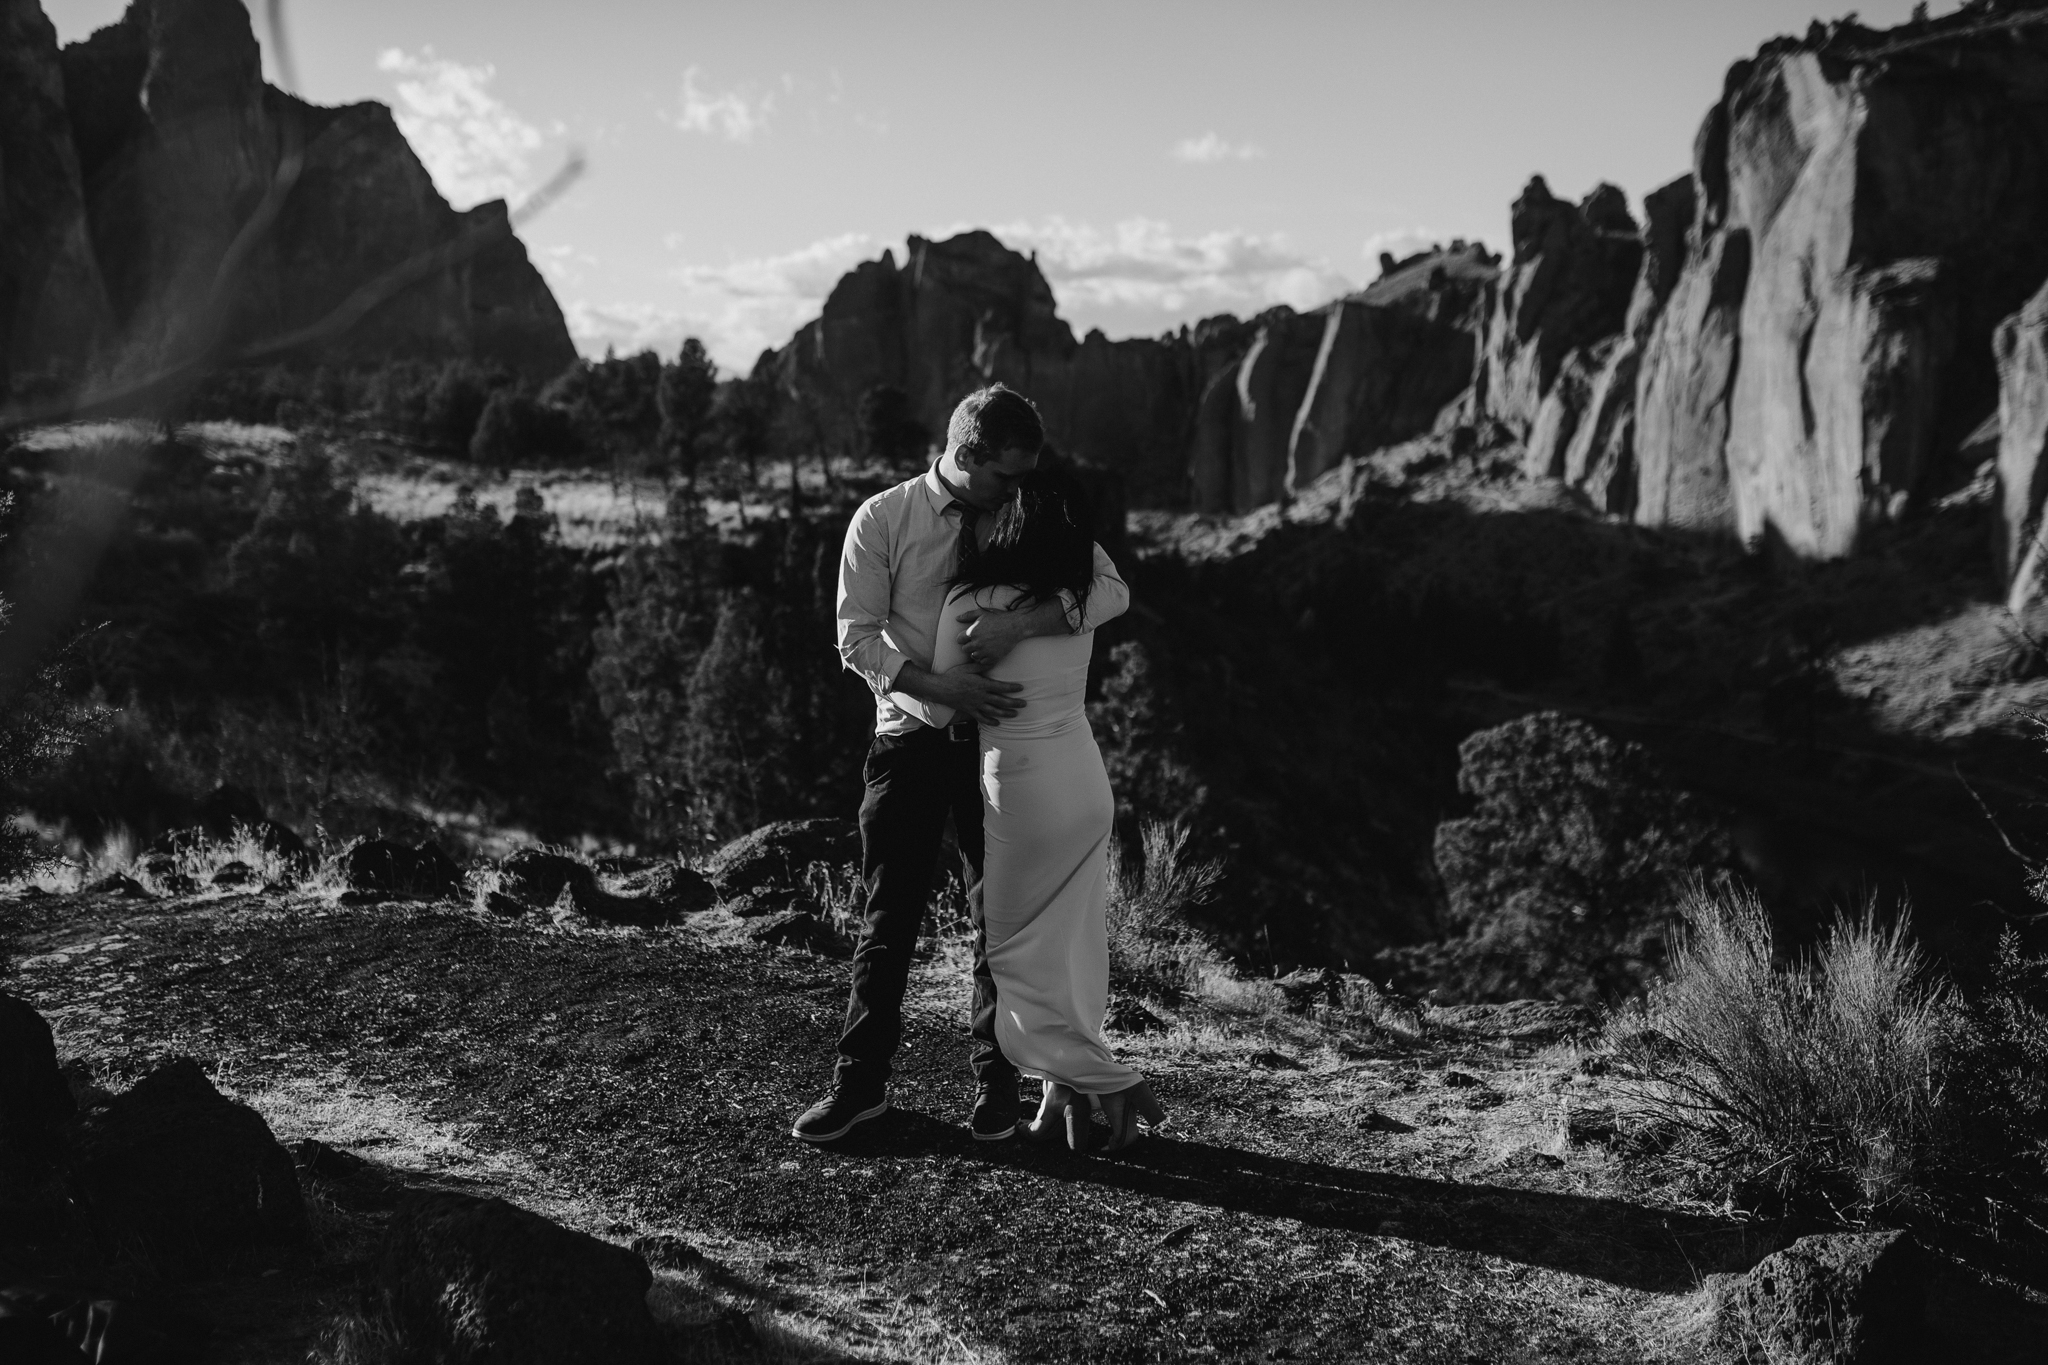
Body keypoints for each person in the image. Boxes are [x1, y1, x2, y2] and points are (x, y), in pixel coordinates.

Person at [793, 384, 1130, 1144]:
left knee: (998, 926)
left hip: (1001, 755)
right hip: (908, 744)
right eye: (1006, 474)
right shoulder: (884, 518)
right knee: (889, 919)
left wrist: (1023, 622)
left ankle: (997, 1089)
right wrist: (937, 685)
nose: (1021, 488)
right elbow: (856, 638)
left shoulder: (1029, 512)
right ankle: (860, 1087)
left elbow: (1110, 588)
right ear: (966, 454)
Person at [929, 466, 1167, 1151]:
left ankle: (1116, 1082)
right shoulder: (1082, 596)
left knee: (1013, 962)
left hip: (1023, 794)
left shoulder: (969, 604)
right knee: (1071, 954)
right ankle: (1063, 1107)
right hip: (1084, 784)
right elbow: (1108, 577)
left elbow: (947, 701)